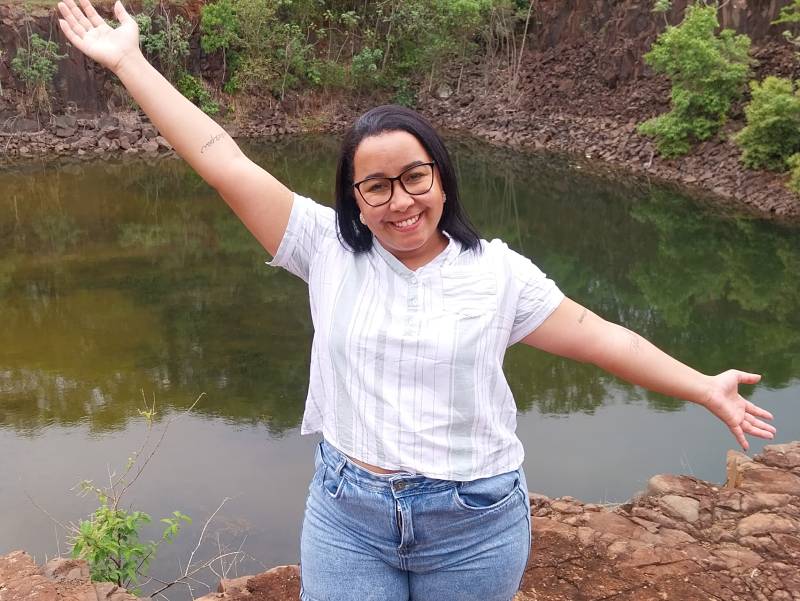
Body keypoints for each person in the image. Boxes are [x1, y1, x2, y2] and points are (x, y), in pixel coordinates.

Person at [56, 1, 778, 599]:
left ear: (441, 179)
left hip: (475, 521)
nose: (400, 200)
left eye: (415, 177)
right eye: (376, 185)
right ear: (354, 197)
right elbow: (220, 157)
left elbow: (602, 335)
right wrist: (128, 62)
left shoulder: (497, 273)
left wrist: (701, 385)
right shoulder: (326, 248)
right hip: (349, 515)